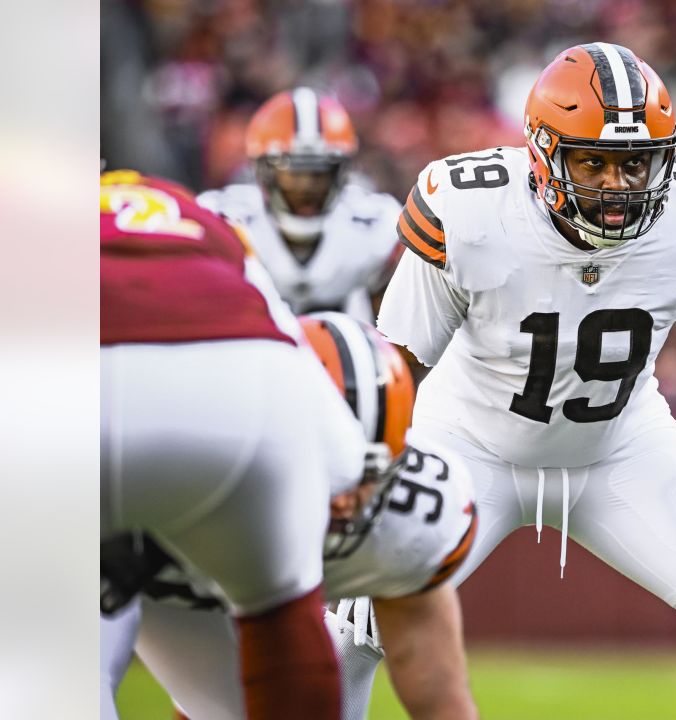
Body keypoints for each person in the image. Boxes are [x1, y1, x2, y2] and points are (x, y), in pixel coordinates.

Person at [377, 42, 676, 618]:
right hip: (465, 445)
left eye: (634, 162)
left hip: (623, 446)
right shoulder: (472, 213)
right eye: (592, 162)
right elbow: (394, 368)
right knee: (354, 620)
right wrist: (366, 497)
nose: (617, 184)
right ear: (542, 154)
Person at [101, 170, 368, 720]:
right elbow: (288, 346)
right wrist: (343, 465)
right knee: (279, 624)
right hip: (241, 396)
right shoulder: (191, 212)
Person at [126, 313, 480, 720]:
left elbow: (441, 701)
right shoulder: (182, 487)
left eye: (368, 472)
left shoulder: (412, 511)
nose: (346, 500)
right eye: (330, 471)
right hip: (137, 572)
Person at [197, 87, 403, 323]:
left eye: (320, 172)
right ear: (262, 172)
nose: (306, 186)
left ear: (342, 173)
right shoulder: (224, 218)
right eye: (293, 173)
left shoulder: (379, 226)